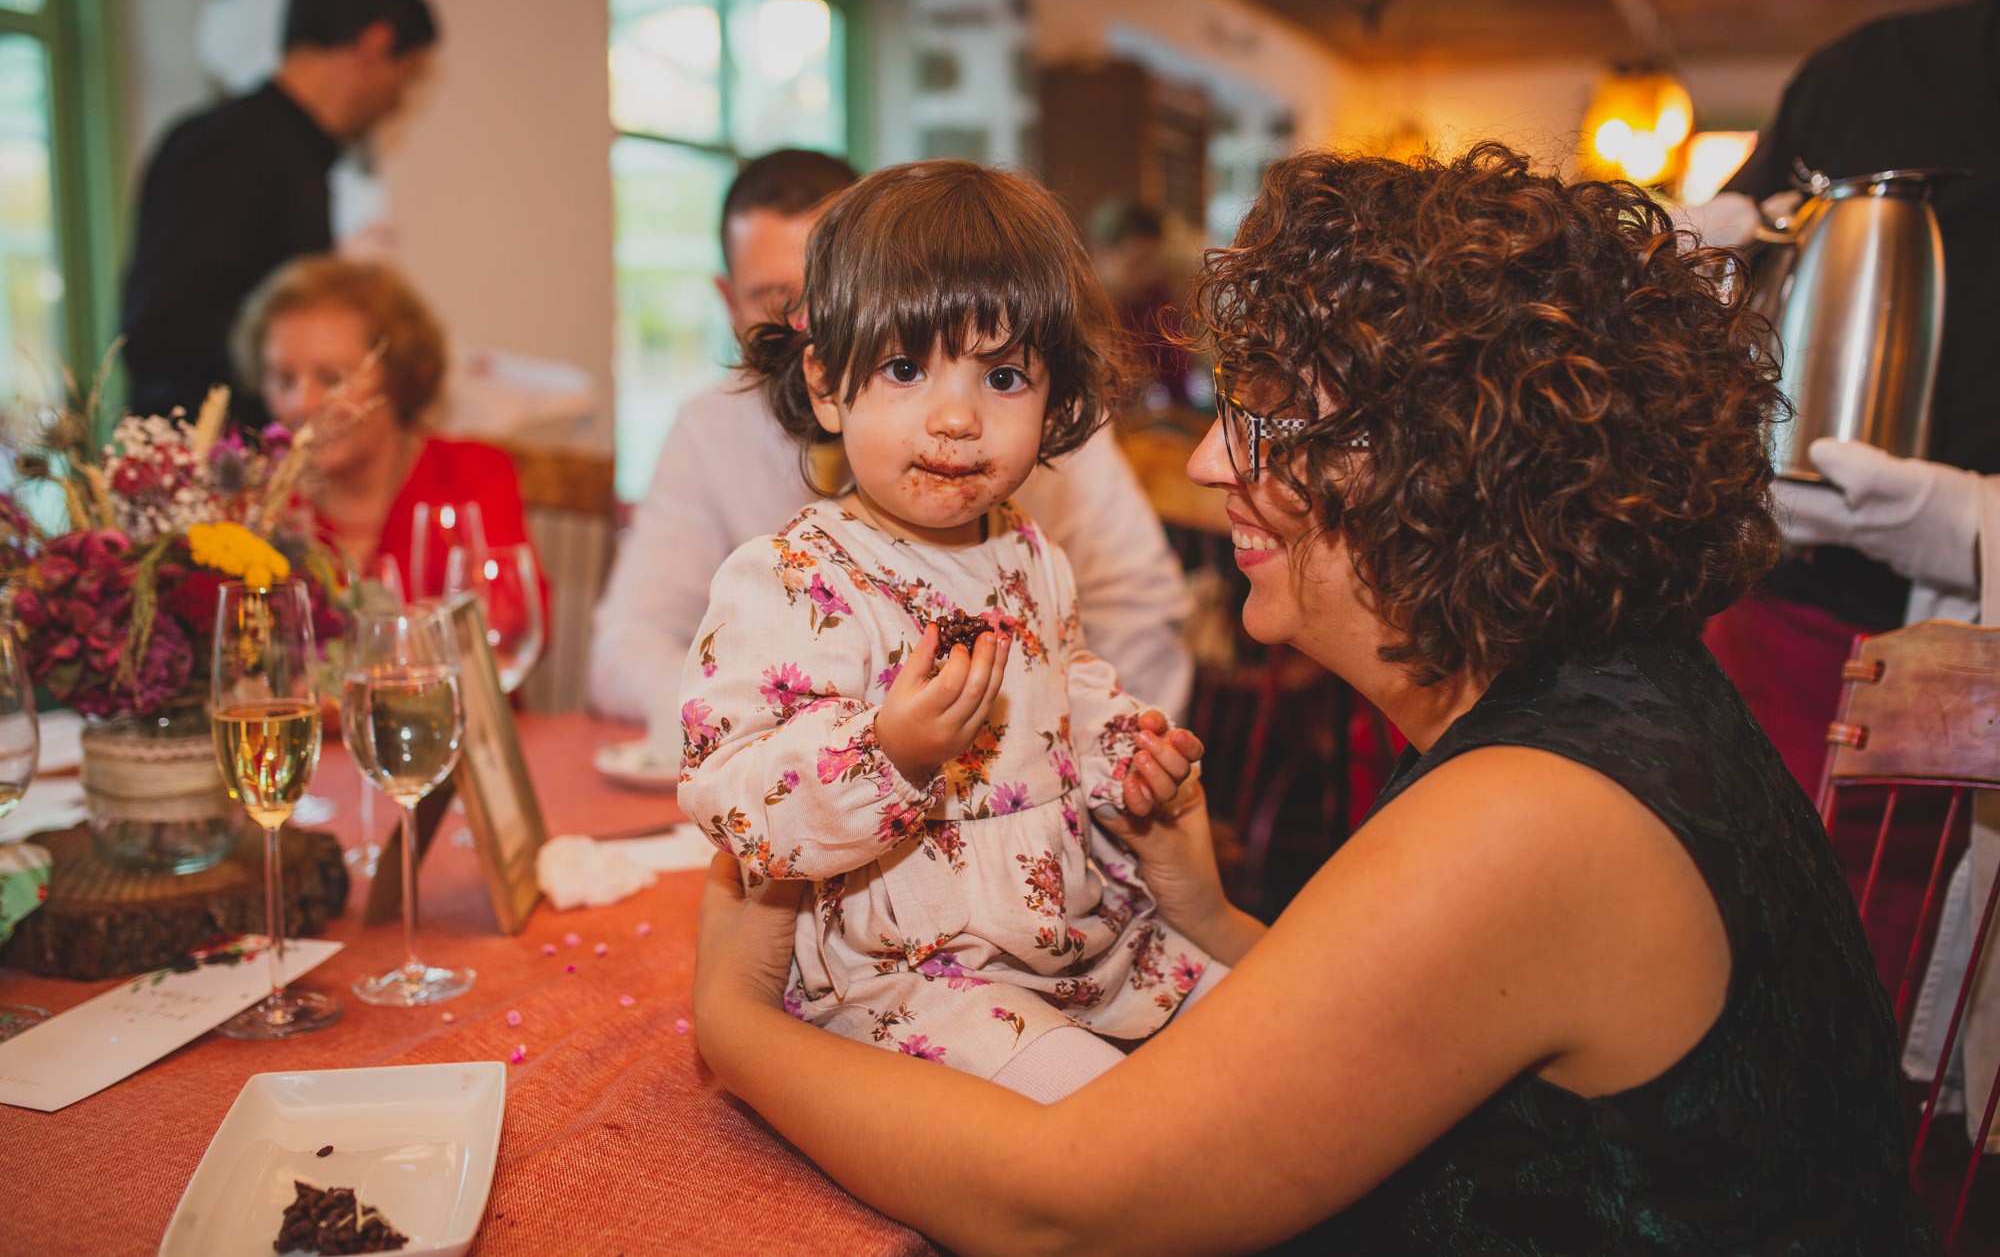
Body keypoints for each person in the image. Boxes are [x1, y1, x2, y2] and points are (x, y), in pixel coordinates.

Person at [691, 144, 1940, 1253]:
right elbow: (1409, 1017)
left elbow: (1062, 1205)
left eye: (1271, 417)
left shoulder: (1534, 816)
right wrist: (1207, 913)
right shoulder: (1612, 690)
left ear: (1440, 469)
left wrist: (737, 1026)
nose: (1201, 458)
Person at [679, 160, 1213, 1103]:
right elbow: (728, 791)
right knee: (1121, 1121)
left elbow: (1068, 685)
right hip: (907, 977)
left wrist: (1122, 744)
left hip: (1074, 937)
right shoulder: (797, 577)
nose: (959, 416)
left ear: (1056, 398)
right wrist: (884, 752)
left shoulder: (1030, 553)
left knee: (1260, 1048)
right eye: (904, 368)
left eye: (1004, 375)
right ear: (827, 382)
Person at [588, 150, 1192, 752]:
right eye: (778, 301)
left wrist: (1100, 758)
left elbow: (1138, 607)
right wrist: (767, 729)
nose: (817, 319)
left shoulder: (1013, 408)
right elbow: (628, 640)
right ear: (730, 303)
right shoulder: (711, 433)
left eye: (853, 299)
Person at [1698, 0, 2000, 788]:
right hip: (1782, 621)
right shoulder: (1870, 69)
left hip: (1975, 668)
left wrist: (1976, 532)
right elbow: (1749, 244)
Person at [122, 0, 439, 423]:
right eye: (407, 75)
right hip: (200, 471)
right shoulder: (232, 147)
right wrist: (309, 326)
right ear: (375, 44)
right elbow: (159, 330)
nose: (399, 102)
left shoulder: (289, 151)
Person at [232, 255, 536, 592]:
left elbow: (508, 624)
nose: (300, 404)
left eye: (333, 378)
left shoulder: (470, 478)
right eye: (283, 379)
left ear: (397, 376)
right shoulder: (256, 500)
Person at [1091, 197, 1194, 410]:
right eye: (1137, 263)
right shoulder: (1076, 310)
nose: (1149, 275)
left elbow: (1176, 381)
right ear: (1100, 254)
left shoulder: (1156, 299)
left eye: (1154, 263)